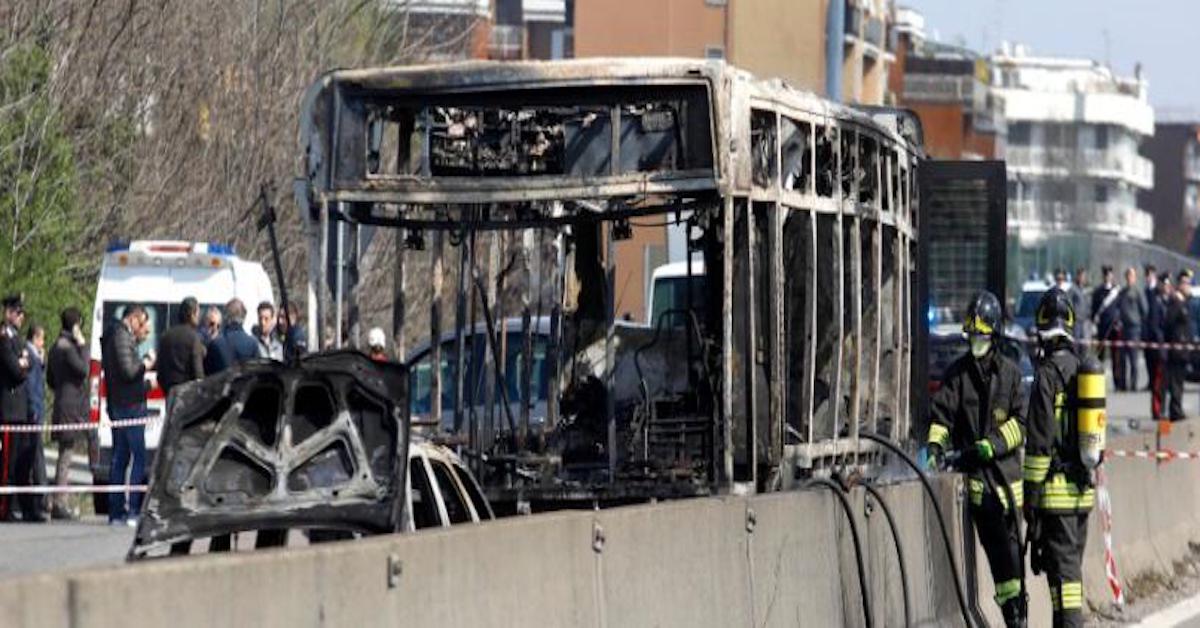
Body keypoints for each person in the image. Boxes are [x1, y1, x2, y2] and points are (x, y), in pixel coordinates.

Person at [927, 291, 1028, 627]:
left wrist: (993, 444)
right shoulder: (958, 375)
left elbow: (1020, 424)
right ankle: (1013, 616)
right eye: (971, 337)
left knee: (1013, 564)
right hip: (978, 485)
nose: (975, 343)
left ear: (994, 335)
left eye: (981, 337)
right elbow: (942, 418)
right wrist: (936, 448)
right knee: (1000, 557)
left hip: (1008, 486)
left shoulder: (1011, 375)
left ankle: (1017, 613)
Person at [1024, 287, 1095, 628]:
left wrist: (1030, 499)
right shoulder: (1082, 369)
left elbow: (1038, 445)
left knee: (1065, 582)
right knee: (1066, 576)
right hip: (1083, 494)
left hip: (1055, 496)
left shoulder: (1046, 376)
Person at [102, 303, 155, 526]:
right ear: (132, 318)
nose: (141, 328)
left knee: (121, 458)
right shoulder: (121, 337)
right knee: (137, 457)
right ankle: (131, 509)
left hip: (122, 403)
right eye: (141, 322)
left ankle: (117, 511)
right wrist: (146, 363)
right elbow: (128, 371)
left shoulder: (118, 336)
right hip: (129, 406)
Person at [46, 307, 93, 520]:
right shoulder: (69, 347)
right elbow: (83, 369)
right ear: (75, 325)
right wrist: (82, 344)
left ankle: (59, 499)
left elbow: (50, 379)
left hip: (60, 402)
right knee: (66, 455)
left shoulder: (56, 346)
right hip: (71, 405)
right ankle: (59, 502)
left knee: (66, 453)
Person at [0, 295, 36, 522]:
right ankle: (4, 507)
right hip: (8, 407)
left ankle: (14, 505)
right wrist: (22, 364)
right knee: (6, 463)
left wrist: (24, 363)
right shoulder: (3, 339)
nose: (22, 318)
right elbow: (15, 370)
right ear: (9, 313)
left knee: (18, 461)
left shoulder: (18, 339)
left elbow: (28, 363)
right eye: (19, 313)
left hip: (19, 409)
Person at [156, 297, 206, 397]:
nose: (199, 317)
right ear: (192, 314)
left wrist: (168, 391)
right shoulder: (193, 337)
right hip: (188, 395)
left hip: (170, 394)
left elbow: (160, 373)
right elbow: (198, 372)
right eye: (197, 313)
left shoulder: (166, 336)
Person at [203, 298, 259, 375]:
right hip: (246, 385)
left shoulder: (216, 344)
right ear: (244, 317)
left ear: (225, 317)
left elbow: (207, 374)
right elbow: (257, 373)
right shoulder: (253, 344)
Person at [1166, 273, 1192, 422]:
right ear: (1180, 284)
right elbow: (1169, 322)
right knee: (1175, 383)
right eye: (1186, 283)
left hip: (1183, 349)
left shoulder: (1184, 301)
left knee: (1180, 382)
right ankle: (1175, 411)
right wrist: (1180, 303)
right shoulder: (1176, 301)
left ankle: (1177, 408)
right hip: (1177, 349)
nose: (1188, 286)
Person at [1116, 267, 1145, 391]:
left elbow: (1144, 310)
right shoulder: (1122, 292)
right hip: (1124, 329)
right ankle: (1123, 384)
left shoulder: (1138, 292)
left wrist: (1138, 322)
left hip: (1134, 329)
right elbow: (1118, 308)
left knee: (1133, 359)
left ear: (1135, 278)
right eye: (1127, 276)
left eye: (1131, 276)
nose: (1129, 278)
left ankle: (1133, 384)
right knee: (1122, 359)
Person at [1146, 275, 1171, 422]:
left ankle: (1162, 408)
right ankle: (1157, 410)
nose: (1167, 288)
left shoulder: (1168, 302)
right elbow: (1155, 327)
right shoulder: (1156, 303)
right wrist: (1162, 345)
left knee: (1164, 383)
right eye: (1165, 285)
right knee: (1157, 382)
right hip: (1159, 350)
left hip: (1168, 349)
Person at [1091, 266, 1121, 374]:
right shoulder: (1098, 292)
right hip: (1102, 326)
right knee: (1101, 354)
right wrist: (1094, 324)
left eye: (1109, 275)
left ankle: (1117, 381)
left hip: (1114, 325)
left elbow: (1120, 307)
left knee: (1115, 355)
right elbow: (1094, 309)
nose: (1108, 277)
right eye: (1106, 275)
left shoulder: (1117, 291)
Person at [1069, 268, 1091, 342]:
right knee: (1076, 343)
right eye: (1081, 276)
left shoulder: (1088, 289)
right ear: (1077, 276)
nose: (1082, 278)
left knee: (1085, 344)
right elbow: (1069, 304)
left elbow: (1090, 304)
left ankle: (1083, 354)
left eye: (1084, 276)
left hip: (1086, 321)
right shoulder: (1073, 289)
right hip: (1077, 322)